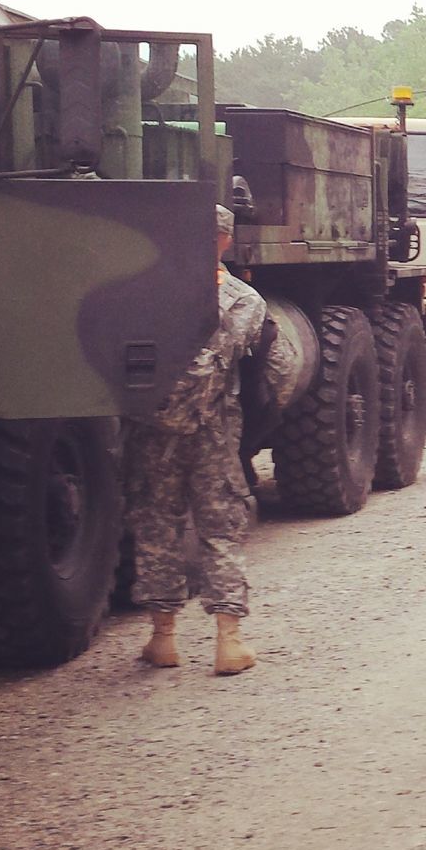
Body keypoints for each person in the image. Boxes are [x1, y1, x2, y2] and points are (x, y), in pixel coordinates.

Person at [123, 204, 276, 674]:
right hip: (215, 428)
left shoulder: (146, 291)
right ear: (225, 241)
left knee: (157, 525)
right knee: (221, 529)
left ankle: (163, 638)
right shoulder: (245, 301)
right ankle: (228, 643)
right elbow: (258, 372)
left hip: (153, 430)